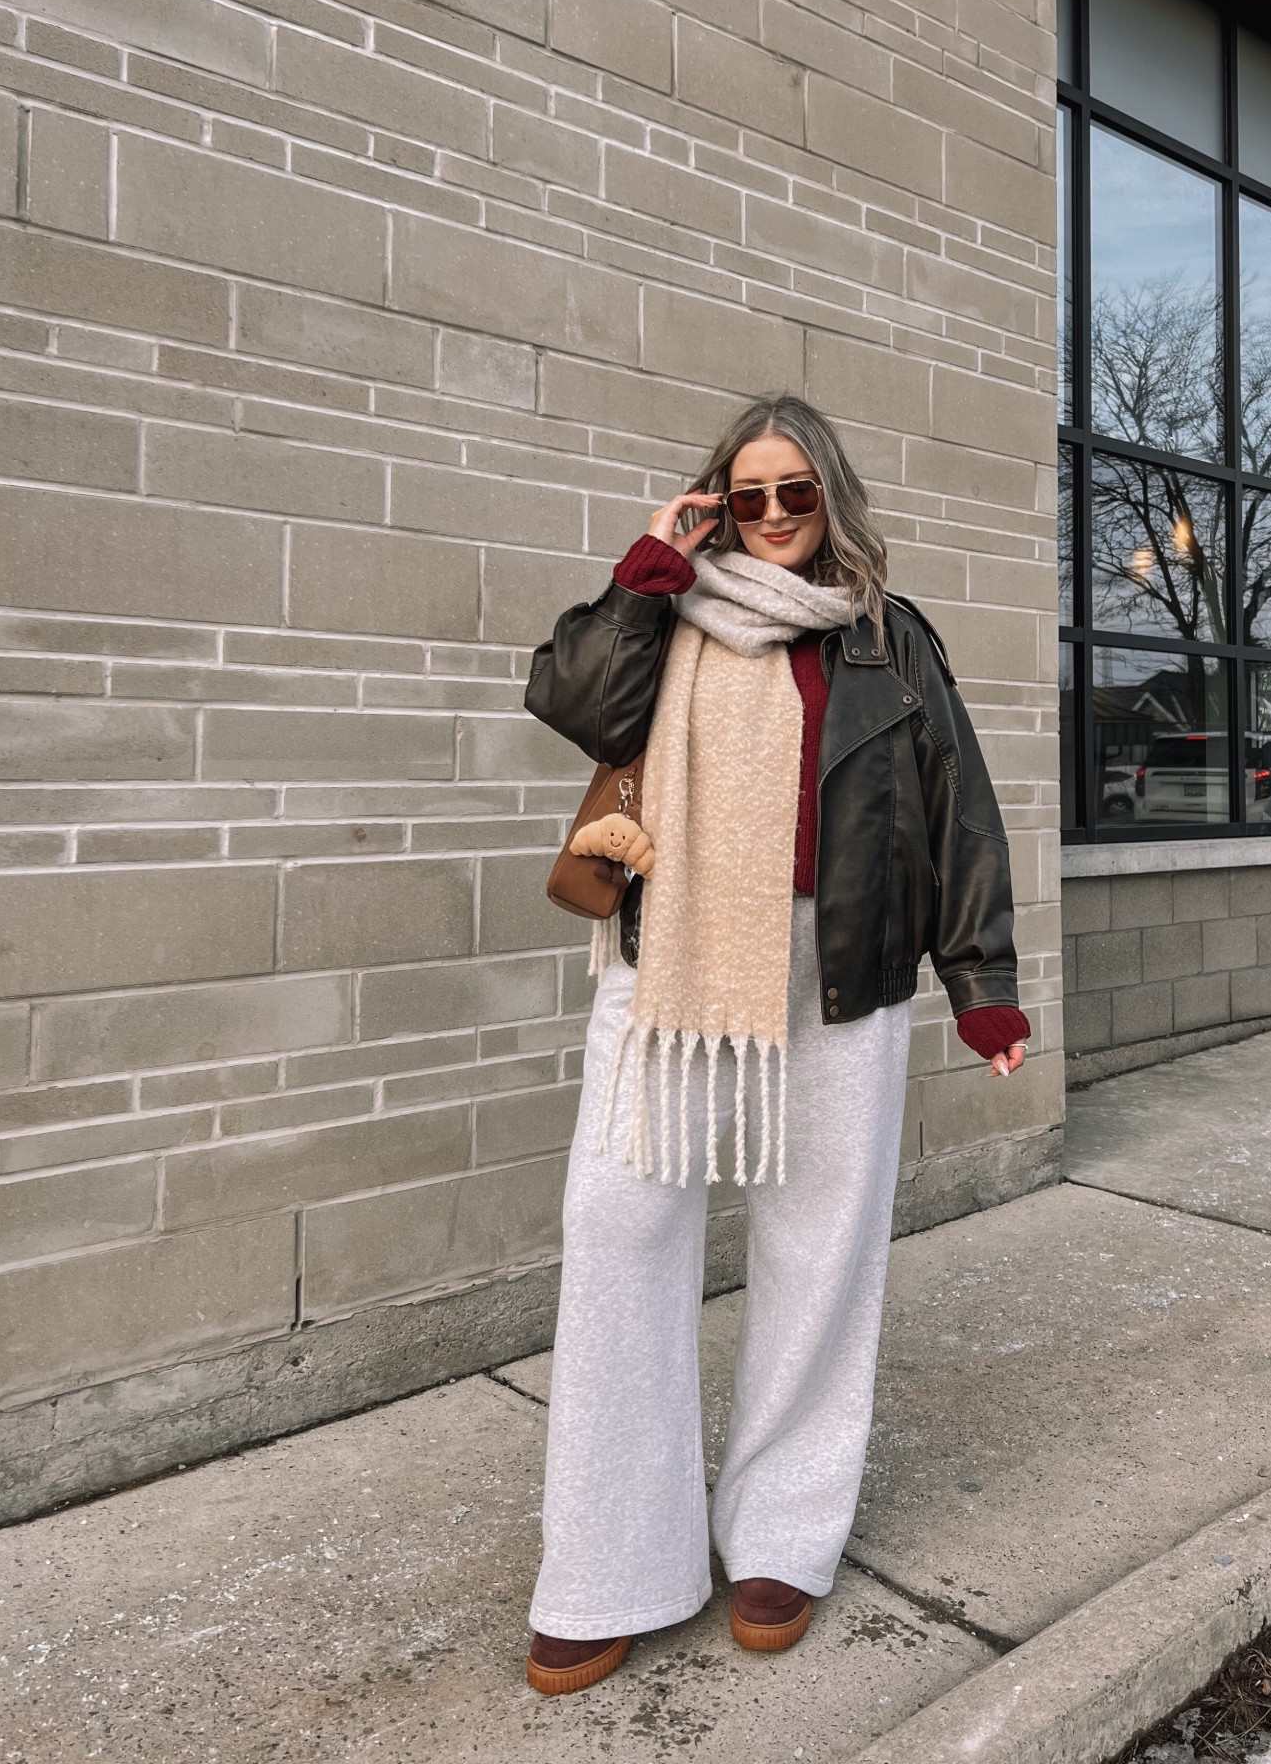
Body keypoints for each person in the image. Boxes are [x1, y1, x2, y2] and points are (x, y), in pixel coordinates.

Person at [520, 395, 1029, 1696]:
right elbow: (571, 701)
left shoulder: (886, 638)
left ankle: (782, 1536)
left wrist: (982, 986)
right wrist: (649, 566)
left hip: (838, 971)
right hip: (673, 966)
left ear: (832, 496)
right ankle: (606, 1563)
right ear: (720, 504)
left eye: (796, 492)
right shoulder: (667, 612)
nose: (775, 517)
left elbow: (955, 806)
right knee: (621, 1229)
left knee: (820, 1245)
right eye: (749, 497)